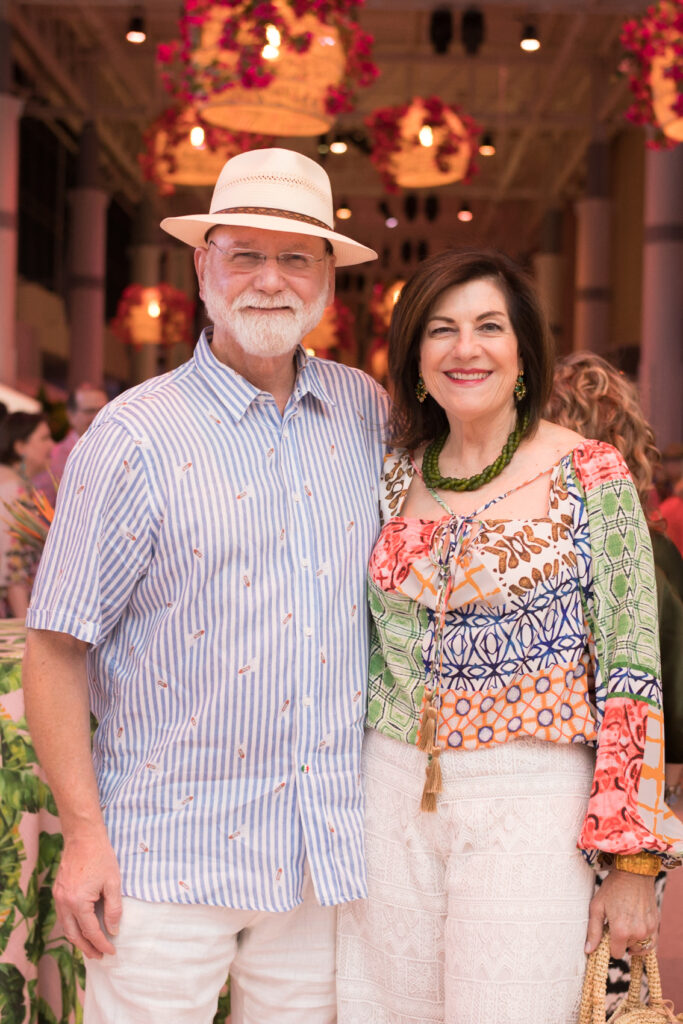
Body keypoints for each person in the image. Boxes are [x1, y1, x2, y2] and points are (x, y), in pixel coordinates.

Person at [22, 148, 389, 1024]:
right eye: (245, 254)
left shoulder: (367, 413)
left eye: (296, 256)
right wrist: (82, 836)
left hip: (316, 855)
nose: (269, 280)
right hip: (163, 854)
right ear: (202, 263)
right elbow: (55, 645)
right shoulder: (133, 435)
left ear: (328, 279)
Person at [336, 249, 683, 1024]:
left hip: (530, 804)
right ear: (414, 357)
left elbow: (633, 673)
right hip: (386, 796)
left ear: (522, 350)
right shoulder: (392, 472)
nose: (465, 349)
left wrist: (633, 860)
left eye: (488, 327)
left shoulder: (588, 473)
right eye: (441, 330)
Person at [547, 351, 683, 1012]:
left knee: (595, 987)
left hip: (606, 815)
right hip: (604, 812)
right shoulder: (653, 546)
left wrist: (634, 862)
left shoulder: (636, 560)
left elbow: (660, 713)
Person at [0, 411, 53, 617]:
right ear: (20, 446)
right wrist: (26, 631)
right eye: (44, 438)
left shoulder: (12, 483)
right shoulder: (15, 491)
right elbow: (14, 570)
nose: (52, 445)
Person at [32, 383, 108, 505]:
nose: (98, 416)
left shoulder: (116, 451)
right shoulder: (55, 457)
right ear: (70, 416)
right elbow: (42, 507)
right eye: (90, 411)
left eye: (103, 410)